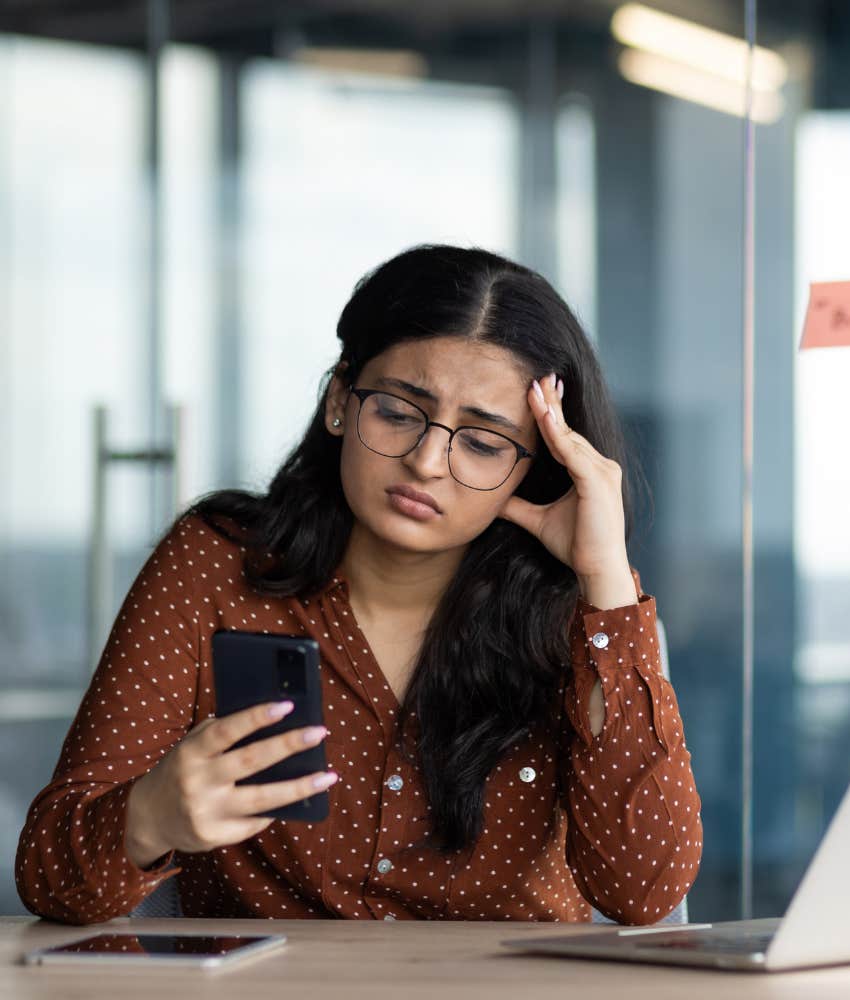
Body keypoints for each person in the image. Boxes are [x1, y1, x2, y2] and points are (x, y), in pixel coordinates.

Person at [16, 243, 702, 926]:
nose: (427, 462)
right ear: (341, 400)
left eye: (483, 444)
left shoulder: (577, 613)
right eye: (398, 413)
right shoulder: (218, 564)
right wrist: (149, 818)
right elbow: (50, 879)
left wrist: (605, 576)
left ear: (536, 466)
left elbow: (642, 894)